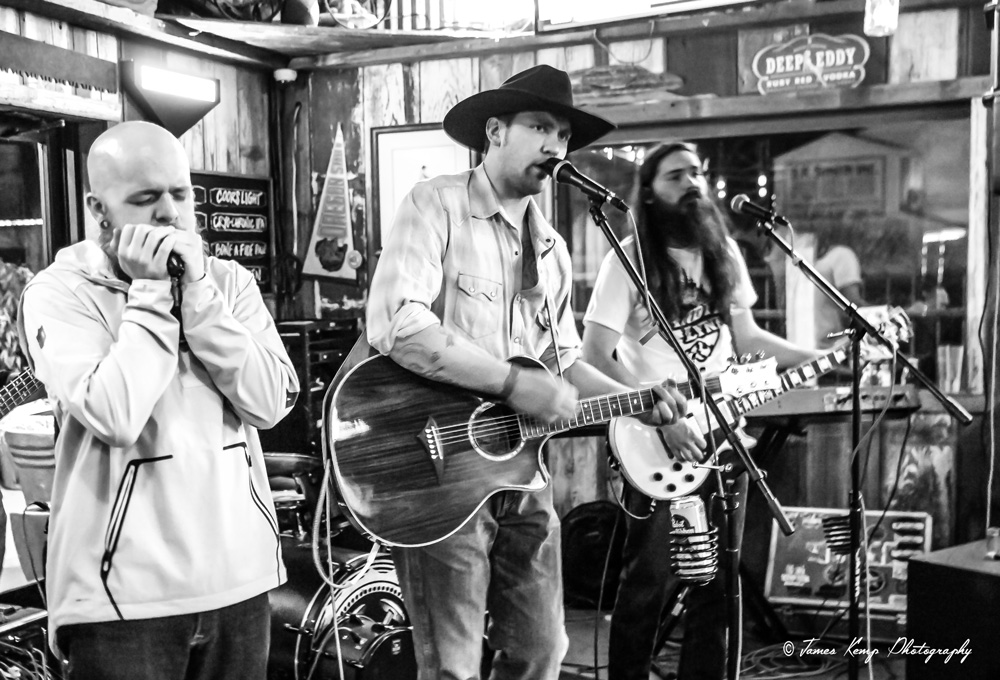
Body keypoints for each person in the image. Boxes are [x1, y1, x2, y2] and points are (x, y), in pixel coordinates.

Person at [366, 65, 686, 679]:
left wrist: (635, 398)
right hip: (440, 471)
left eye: (563, 135)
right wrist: (512, 384)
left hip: (523, 471)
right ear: (494, 130)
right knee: (453, 665)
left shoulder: (554, 250)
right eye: (540, 127)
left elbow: (562, 364)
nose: (555, 147)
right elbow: (397, 325)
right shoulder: (437, 205)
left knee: (544, 649)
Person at [17, 121, 299, 680]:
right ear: (99, 208)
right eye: (145, 199)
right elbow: (115, 413)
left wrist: (196, 296)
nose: (169, 212)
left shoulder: (227, 282)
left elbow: (270, 403)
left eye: (180, 193)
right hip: (121, 593)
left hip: (238, 580)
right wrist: (150, 293)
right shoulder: (58, 293)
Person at [581, 141, 819, 680]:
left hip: (723, 434)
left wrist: (825, 357)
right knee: (649, 583)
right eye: (675, 176)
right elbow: (593, 354)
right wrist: (657, 414)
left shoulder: (725, 254)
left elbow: (750, 338)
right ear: (649, 192)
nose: (692, 184)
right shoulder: (629, 258)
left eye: (696, 173)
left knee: (720, 585)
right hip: (657, 437)